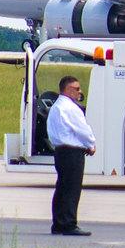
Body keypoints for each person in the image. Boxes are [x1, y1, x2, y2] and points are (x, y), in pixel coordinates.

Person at [46, 74, 96, 237]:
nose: (79, 92)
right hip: (72, 152)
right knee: (72, 189)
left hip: (60, 151)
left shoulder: (56, 107)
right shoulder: (70, 108)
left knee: (62, 187)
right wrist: (90, 144)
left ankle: (59, 223)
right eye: (76, 88)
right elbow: (82, 129)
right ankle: (69, 223)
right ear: (67, 89)